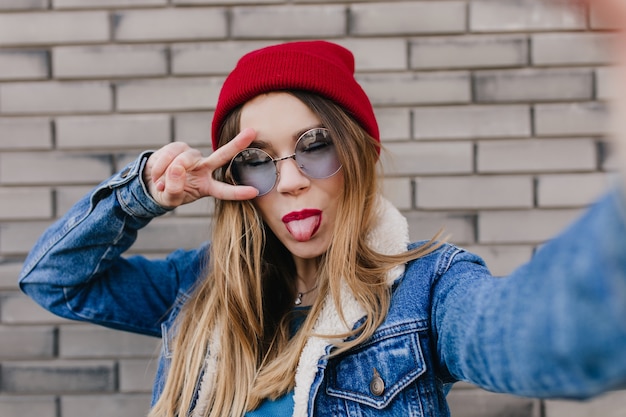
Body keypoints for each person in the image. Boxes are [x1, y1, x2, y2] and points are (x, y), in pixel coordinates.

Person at [18, 1, 626, 416]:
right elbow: (54, 279)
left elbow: (541, 336)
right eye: (257, 159)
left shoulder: (427, 292)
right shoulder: (198, 288)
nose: (289, 181)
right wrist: (141, 194)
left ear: (358, 156)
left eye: (314, 147)